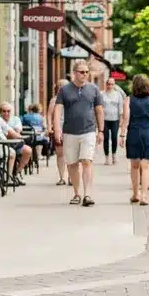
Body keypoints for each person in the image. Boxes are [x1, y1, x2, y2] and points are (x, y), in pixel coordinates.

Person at [53, 61, 104, 206]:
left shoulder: (94, 89)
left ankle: (87, 195)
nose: (85, 75)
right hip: (69, 132)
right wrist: (57, 129)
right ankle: (76, 194)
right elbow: (57, 110)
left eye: (87, 72)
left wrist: (101, 130)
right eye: (82, 72)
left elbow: (99, 110)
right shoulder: (64, 90)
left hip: (88, 131)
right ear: (74, 73)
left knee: (87, 161)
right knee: (73, 164)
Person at [118, 75, 149, 206]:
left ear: (134, 86)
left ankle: (135, 194)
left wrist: (122, 135)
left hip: (134, 133)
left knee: (135, 166)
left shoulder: (128, 100)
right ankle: (144, 196)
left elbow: (126, 118)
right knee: (146, 167)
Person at [45, 79, 69, 185]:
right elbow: (49, 115)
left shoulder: (72, 99)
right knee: (60, 154)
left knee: (71, 154)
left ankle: (72, 177)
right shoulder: (54, 100)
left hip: (71, 129)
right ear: (58, 88)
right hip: (58, 129)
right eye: (62, 87)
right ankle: (62, 177)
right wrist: (49, 127)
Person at [100, 77, 126, 165]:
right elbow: (99, 108)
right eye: (108, 84)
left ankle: (114, 156)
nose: (110, 86)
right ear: (106, 84)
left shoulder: (117, 94)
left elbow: (120, 108)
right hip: (105, 120)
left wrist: (121, 119)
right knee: (106, 138)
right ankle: (107, 158)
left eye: (111, 84)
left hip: (115, 120)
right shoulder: (102, 94)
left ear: (114, 85)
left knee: (114, 138)